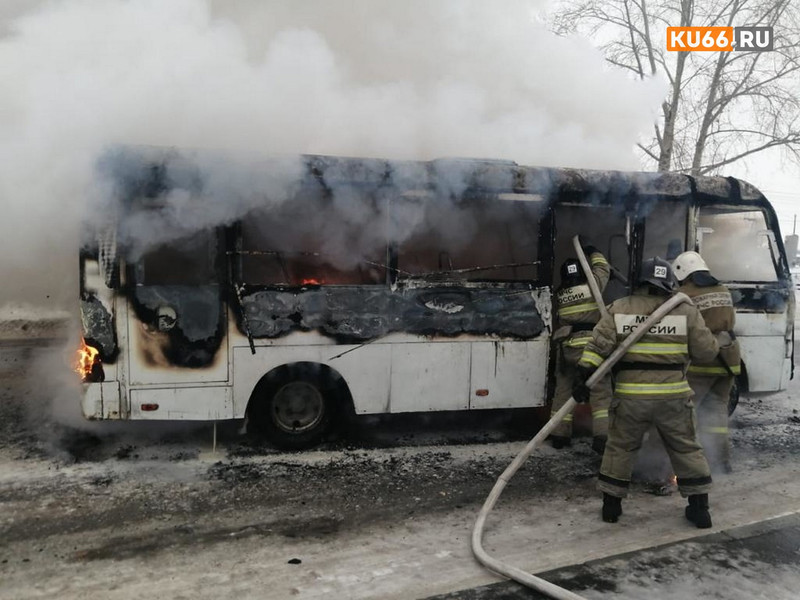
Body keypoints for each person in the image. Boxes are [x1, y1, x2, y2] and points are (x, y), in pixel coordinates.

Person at [573, 257, 722, 529]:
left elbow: (597, 347)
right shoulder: (684, 310)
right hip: (673, 398)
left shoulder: (620, 308)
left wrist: (583, 374)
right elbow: (707, 352)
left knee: (620, 448)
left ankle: (611, 508)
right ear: (668, 282)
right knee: (686, 448)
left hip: (631, 397)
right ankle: (700, 511)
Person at [672, 251, 741, 474]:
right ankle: (721, 461)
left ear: (682, 273)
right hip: (728, 358)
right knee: (717, 412)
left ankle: (686, 464)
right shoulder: (723, 289)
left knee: (685, 412)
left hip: (702, 361)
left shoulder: (683, 294)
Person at [549, 241, 613, 454]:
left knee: (563, 391)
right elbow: (603, 268)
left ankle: (559, 435)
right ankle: (602, 436)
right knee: (600, 392)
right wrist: (593, 250)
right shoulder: (591, 285)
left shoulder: (560, 294)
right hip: (590, 346)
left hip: (567, 348)